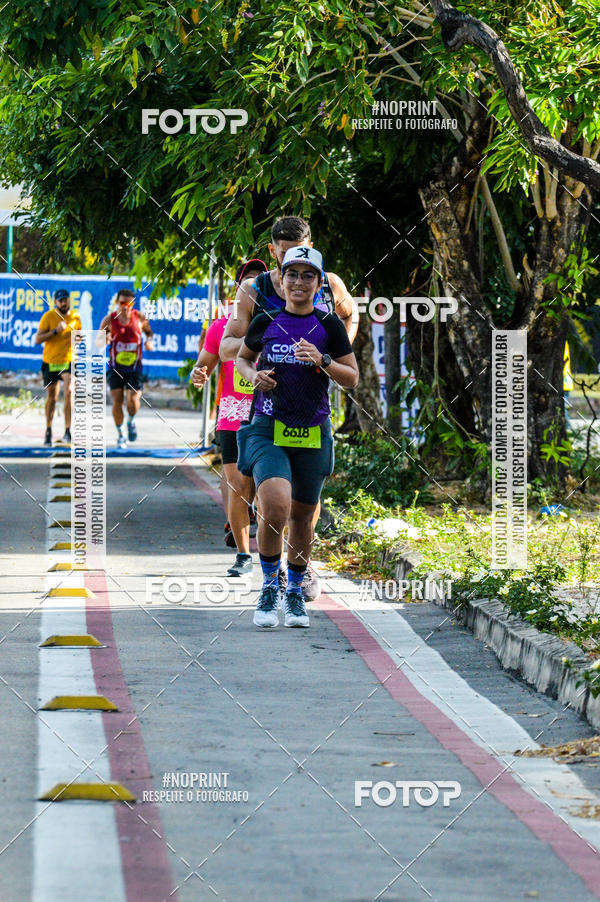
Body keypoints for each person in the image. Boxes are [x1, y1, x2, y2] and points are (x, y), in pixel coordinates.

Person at [220, 215, 358, 600]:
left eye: (303, 268)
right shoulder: (253, 290)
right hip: (265, 404)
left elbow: (350, 316)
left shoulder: (329, 285)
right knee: (269, 495)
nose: (293, 280)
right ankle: (269, 572)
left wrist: (327, 353)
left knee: (304, 503)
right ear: (273, 256)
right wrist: (259, 351)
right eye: (284, 266)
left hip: (311, 408)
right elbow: (227, 345)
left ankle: (300, 566)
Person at [191, 259, 268, 576]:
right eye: (245, 283)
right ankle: (243, 554)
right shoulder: (221, 327)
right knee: (237, 486)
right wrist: (199, 373)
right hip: (233, 417)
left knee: (266, 489)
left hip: (267, 415)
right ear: (237, 290)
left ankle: (268, 553)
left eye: (257, 284)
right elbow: (205, 364)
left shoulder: (277, 325)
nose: (250, 288)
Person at [99, 289, 155, 449]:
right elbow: (98, 341)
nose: (126, 307)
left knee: (133, 400)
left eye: (129, 303)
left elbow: (149, 333)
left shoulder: (140, 318)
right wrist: (105, 338)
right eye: (123, 303)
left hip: (134, 368)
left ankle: (130, 422)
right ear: (117, 303)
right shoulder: (109, 320)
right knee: (117, 401)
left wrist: (149, 341)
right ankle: (121, 435)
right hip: (115, 368)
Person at [35, 288, 82, 446]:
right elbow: (38, 339)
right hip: (51, 361)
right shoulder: (48, 317)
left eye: (65, 300)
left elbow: (79, 338)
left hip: (68, 360)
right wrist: (55, 331)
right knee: (52, 398)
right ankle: (48, 430)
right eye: (60, 300)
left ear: (69, 300)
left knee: (69, 392)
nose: (63, 303)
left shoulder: (75, 317)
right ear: (55, 302)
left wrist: (78, 339)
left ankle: (68, 431)